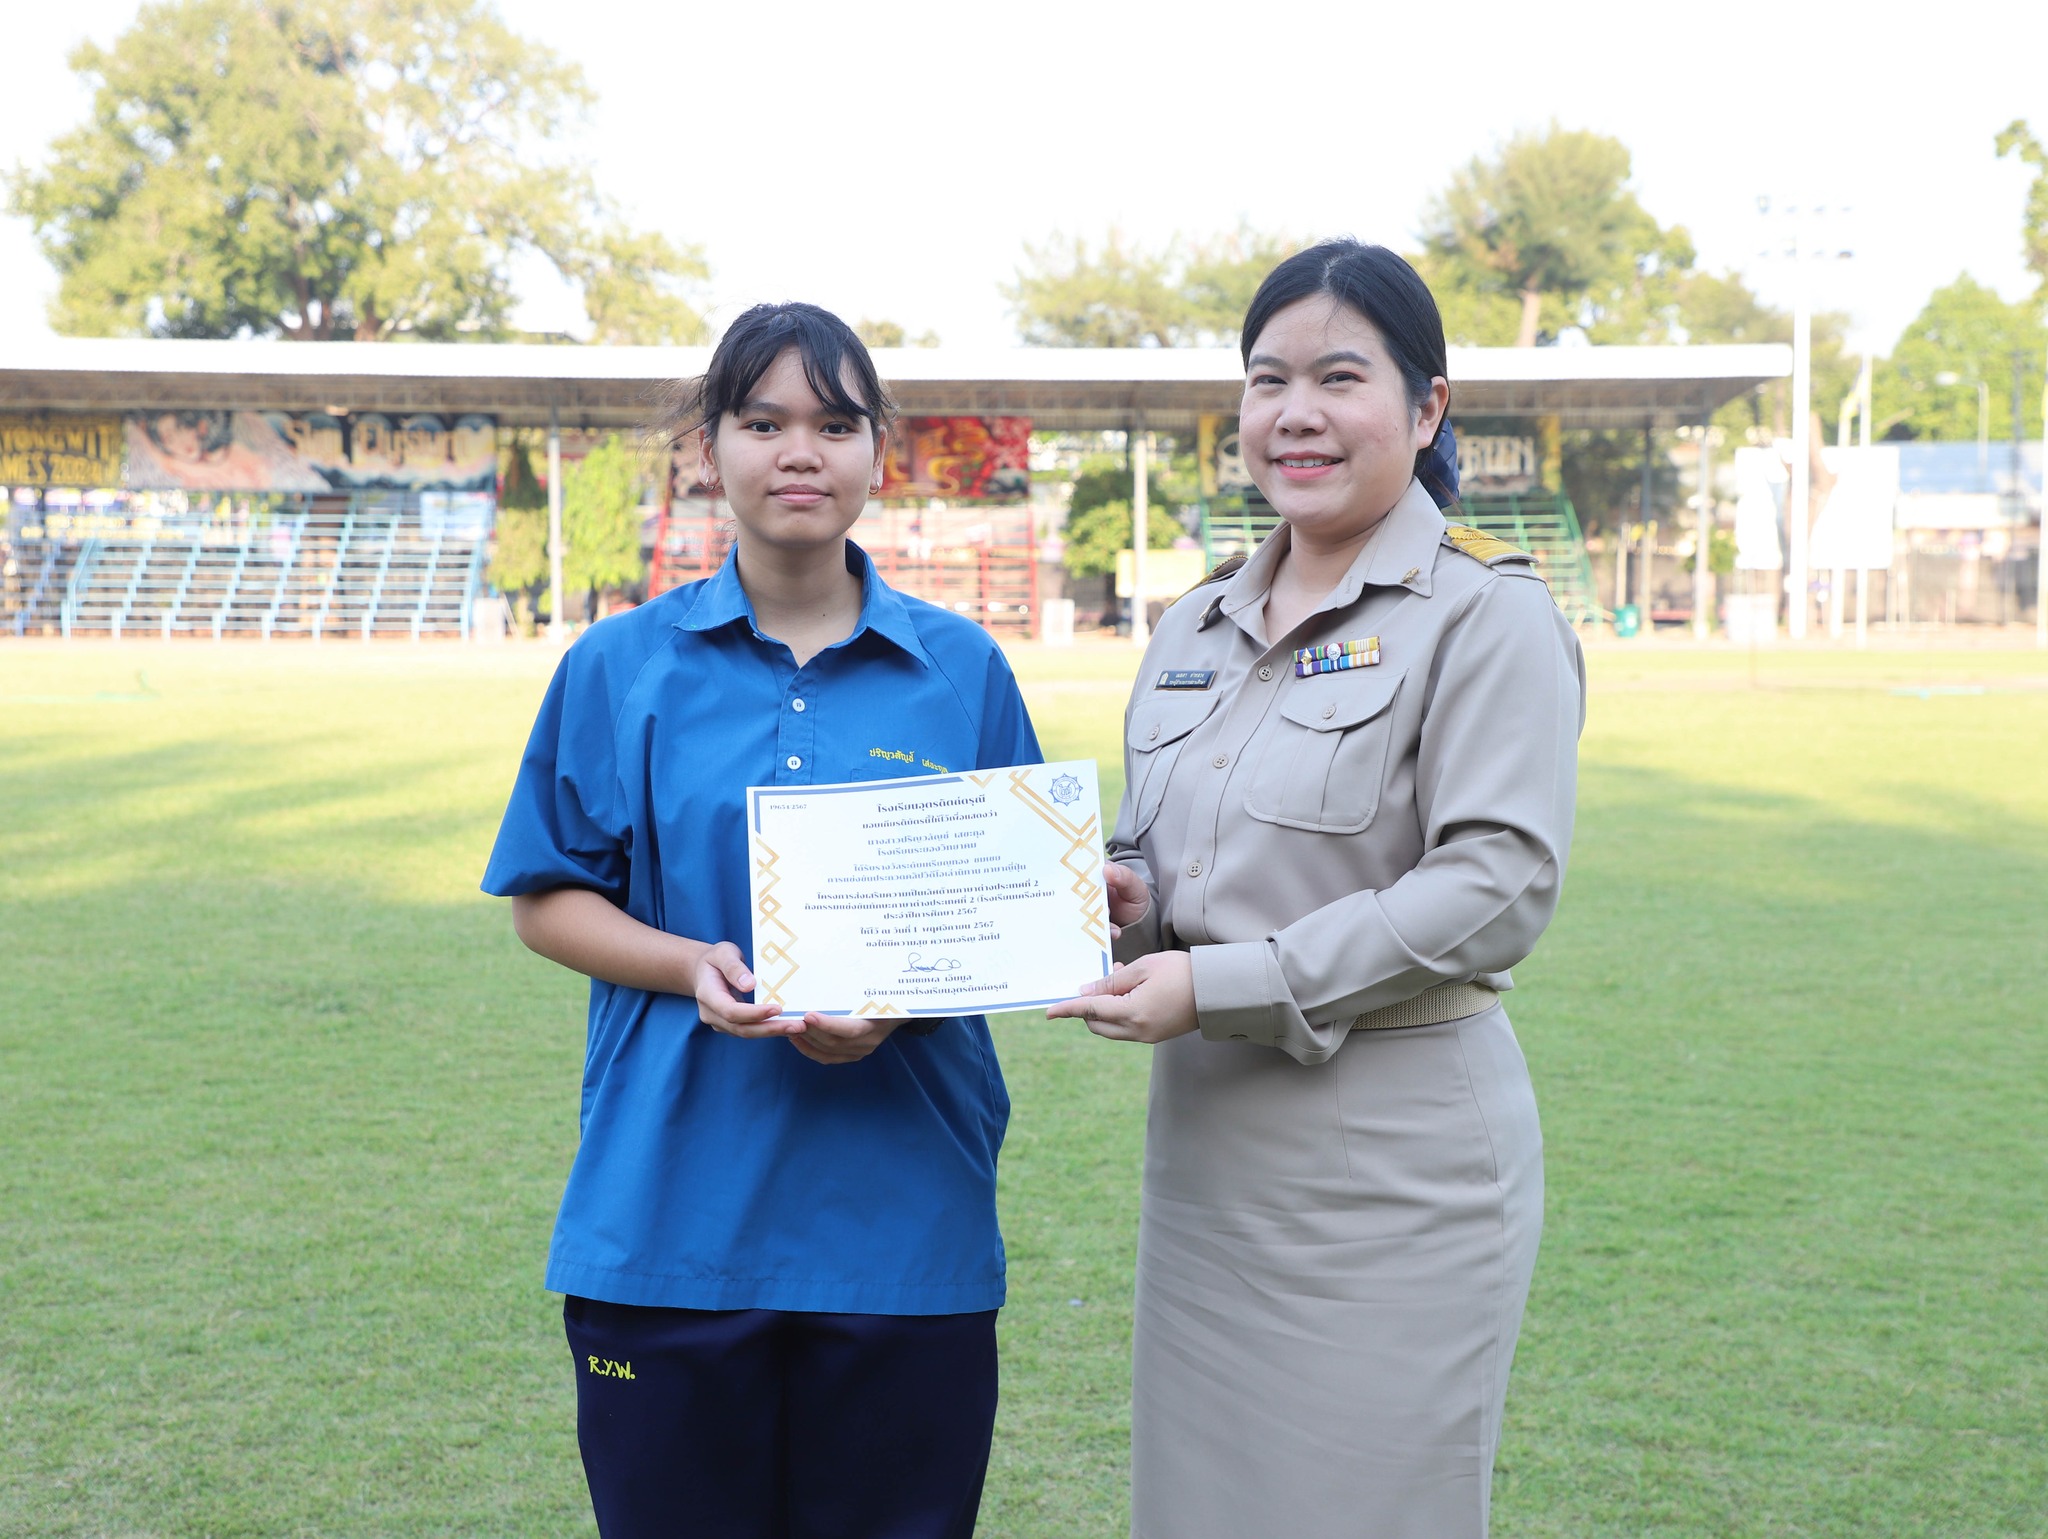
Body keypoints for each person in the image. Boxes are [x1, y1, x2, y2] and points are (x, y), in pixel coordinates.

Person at [1048, 240, 1585, 1538]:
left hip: (1394, 1172)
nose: (1295, 412)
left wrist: (1221, 983)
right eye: (1267, 378)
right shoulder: (1191, 627)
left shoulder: (1483, 613)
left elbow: (1495, 883)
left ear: (1428, 406)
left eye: (1340, 377)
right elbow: (1163, 857)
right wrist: (1115, 893)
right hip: (1207, 1165)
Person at [482, 302, 1040, 1539]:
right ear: (708, 448)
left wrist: (897, 1005)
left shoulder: (962, 671)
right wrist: (690, 965)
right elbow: (546, 900)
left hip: (904, 1235)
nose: (800, 452)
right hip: (667, 1219)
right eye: (763, 421)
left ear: (878, 450)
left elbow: (1012, 915)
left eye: (835, 425)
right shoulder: (617, 666)